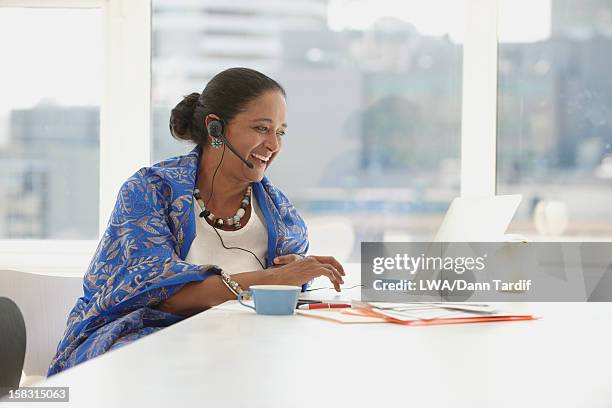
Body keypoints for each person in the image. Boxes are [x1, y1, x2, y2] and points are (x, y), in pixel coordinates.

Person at [48, 67, 345, 375]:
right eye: (261, 128)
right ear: (215, 128)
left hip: (245, 354)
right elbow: (165, 298)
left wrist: (295, 274)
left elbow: (286, 293)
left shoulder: (281, 214)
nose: (274, 145)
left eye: (280, 132)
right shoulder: (149, 191)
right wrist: (273, 280)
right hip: (147, 352)